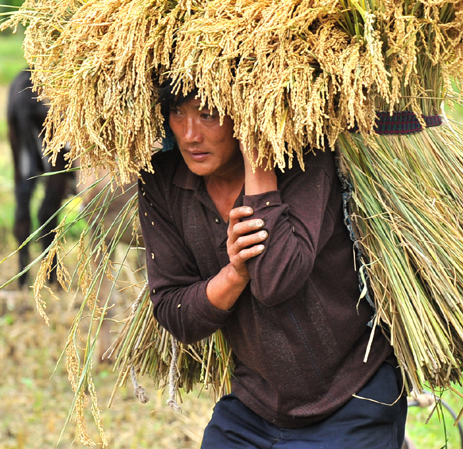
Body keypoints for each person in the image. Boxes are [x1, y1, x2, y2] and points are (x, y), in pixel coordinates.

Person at [138, 85, 408, 448]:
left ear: (247, 113)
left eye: (208, 114)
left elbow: (275, 282)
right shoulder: (161, 181)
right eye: (177, 112)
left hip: (351, 397)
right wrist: (234, 274)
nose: (189, 134)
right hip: (255, 407)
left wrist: (260, 154)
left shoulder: (304, 159)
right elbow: (176, 313)